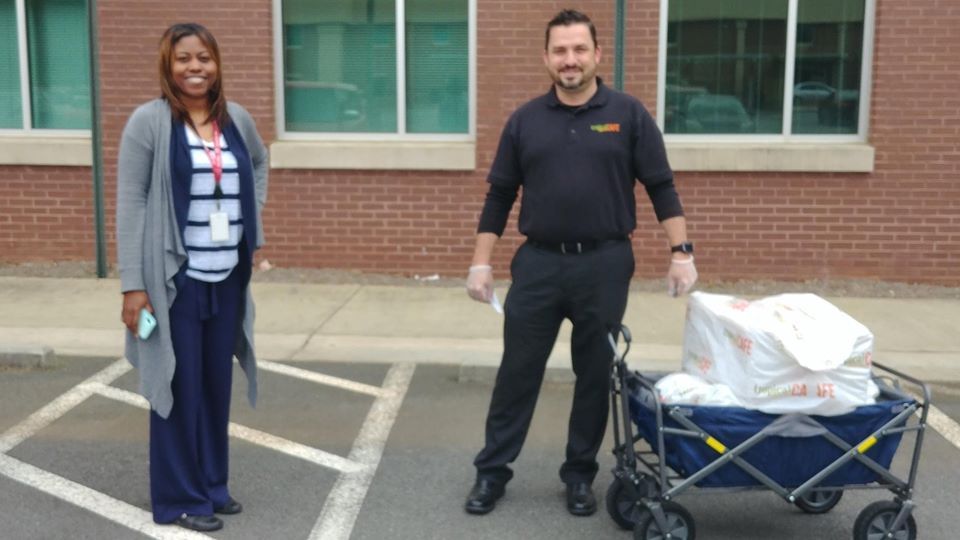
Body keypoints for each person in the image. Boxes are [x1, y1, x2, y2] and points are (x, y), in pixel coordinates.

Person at [464, 9, 697, 516]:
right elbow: (500, 194)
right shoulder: (525, 120)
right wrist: (481, 263)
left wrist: (681, 254)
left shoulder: (628, 114)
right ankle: (492, 473)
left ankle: (579, 476)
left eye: (578, 50)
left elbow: (661, 185)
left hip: (605, 264)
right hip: (539, 265)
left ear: (596, 54)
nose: (569, 60)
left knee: (594, 374)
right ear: (546, 58)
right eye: (559, 51)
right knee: (517, 373)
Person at [116, 23, 268, 532]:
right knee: (178, 389)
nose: (195, 67)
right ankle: (180, 499)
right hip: (173, 282)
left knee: (213, 387)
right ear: (168, 65)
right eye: (184, 58)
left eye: (204, 57)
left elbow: (260, 164)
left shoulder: (236, 120)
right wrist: (134, 284)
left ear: (217, 63)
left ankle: (211, 486)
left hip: (225, 279)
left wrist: (254, 219)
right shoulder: (149, 122)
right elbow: (131, 204)